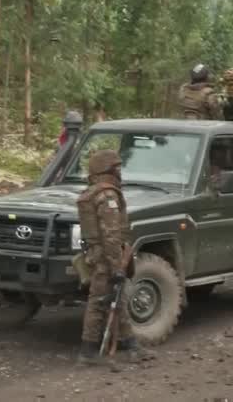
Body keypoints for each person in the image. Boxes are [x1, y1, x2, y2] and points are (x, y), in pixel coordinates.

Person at [76, 149, 150, 365]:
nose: (120, 173)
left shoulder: (92, 192)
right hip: (107, 259)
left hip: (98, 256)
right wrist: (117, 267)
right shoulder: (107, 195)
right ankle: (87, 353)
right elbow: (111, 235)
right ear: (106, 170)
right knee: (100, 302)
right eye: (116, 168)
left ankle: (131, 346)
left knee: (117, 300)